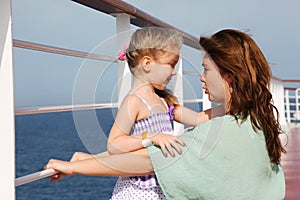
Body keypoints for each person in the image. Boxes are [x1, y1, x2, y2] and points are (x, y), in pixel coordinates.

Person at [45, 29, 286, 199]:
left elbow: (150, 160)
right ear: (147, 63)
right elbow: (129, 149)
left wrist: (77, 166)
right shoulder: (250, 120)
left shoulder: (222, 129)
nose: (200, 77)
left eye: (206, 69)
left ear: (228, 75)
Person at [67, 27, 224, 200]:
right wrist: (152, 137)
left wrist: (234, 106)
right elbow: (114, 144)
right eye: (171, 65)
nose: (173, 72)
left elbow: (197, 118)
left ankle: (85, 159)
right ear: (147, 63)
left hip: (159, 183)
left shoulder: (164, 101)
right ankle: (85, 160)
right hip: (138, 190)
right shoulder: (134, 101)